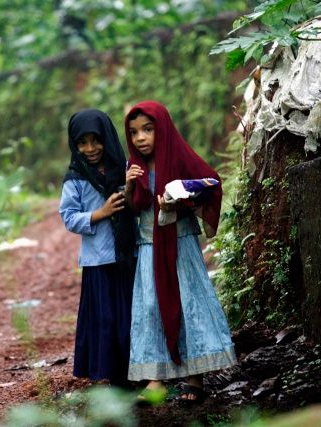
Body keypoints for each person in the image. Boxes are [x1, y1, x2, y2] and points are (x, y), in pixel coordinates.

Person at [124, 100, 236, 403]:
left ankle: (194, 376)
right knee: (151, 307)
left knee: (189, 303)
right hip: (149, 245)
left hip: (180, 244)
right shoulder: (134, 167)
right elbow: (134, 208)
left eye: (148, 129)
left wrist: (180, 198)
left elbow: (211, 183)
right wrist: (129, 185)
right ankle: (155, 379)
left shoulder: (178, 158)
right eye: (134, 133)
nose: (141, 138)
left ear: (163, 128)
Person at [59, 109, 137, 387]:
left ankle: (137, 370)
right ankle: (111, 374)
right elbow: (68, 216)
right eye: (82, 142)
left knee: (131, 313)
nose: (90, 149)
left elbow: (141, 203)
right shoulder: (76, 177)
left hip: (129, 255)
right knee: (105, 317)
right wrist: (100, 213)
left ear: (107, 138)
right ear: (74, 144)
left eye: (96, 140)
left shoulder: (125, 168)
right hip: (98, 260)